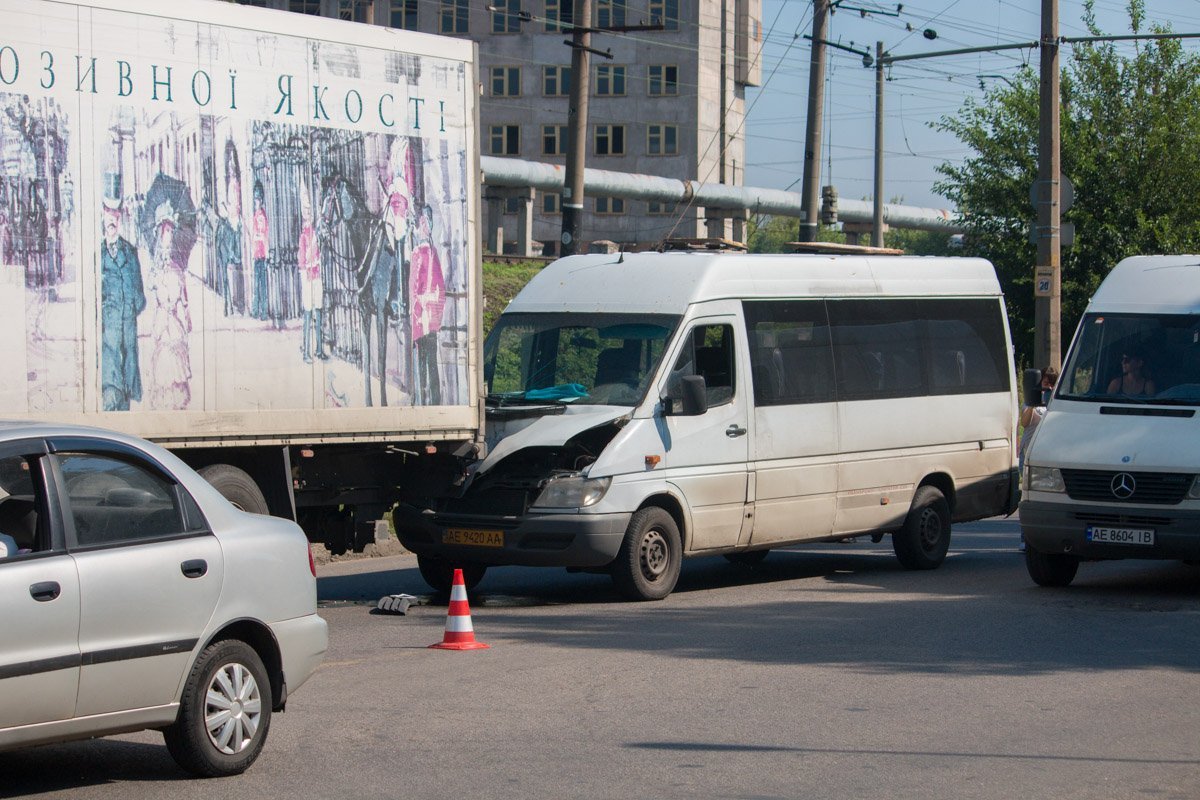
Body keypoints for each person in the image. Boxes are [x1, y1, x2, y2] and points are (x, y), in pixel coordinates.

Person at [99, 172, 146, 412]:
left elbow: (140, 297)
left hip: (127, 331)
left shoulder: (130, 252)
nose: (112, 219)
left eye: (116, 214)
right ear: (102, 215)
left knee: (125, 397)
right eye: (108, 213)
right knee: (110, 393)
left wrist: (128, 309)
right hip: (108, 333)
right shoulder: (98, 254)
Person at [1019, 366, 1058, 471]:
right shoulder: (1032, 399)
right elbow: (1024, 423)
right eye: (1046, 383)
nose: (1049, 387)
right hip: (1030, 449)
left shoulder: (1056, 402)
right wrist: (1033, 404)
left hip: (1048, 451)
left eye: (1052, 384)